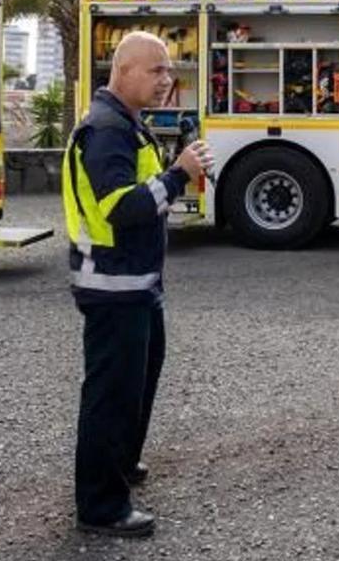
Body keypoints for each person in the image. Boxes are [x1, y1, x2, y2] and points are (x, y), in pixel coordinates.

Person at [62, 32, 212, 538]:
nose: (166, 80)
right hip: (113, 287)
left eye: (168, 71)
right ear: (123, 71)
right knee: (111, 393)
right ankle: (101, 506)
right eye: (156, 70)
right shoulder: (106, 131)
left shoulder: (127, 124)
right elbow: (120, 208)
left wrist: (174, 171)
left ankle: (120, 464)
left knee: (137, 383)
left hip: (135, 284)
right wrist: (178, 175)